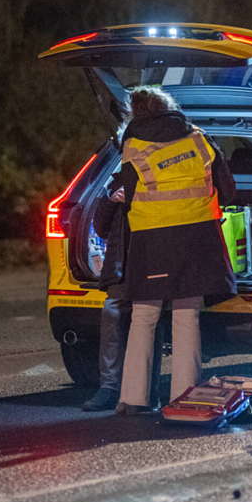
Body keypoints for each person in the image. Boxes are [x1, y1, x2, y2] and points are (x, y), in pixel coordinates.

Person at [115, 87, 236, 413]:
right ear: (169, 107)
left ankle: (133, 399)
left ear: (135, 112)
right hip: (197, 238)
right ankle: (185, 398)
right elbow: (228, 191)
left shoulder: (133, 146)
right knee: (186, 316)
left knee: (144, 317)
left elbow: (128, 195)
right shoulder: (199, 139)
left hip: (151, 241)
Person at [81, 174, 163, 411]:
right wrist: (111, 200)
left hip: (151, 265)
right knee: (112, 317)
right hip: (121, 267)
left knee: (149, 323)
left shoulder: (162, 176)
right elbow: (100, 228)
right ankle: (109, 388)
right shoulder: (119, 181)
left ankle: (150, 391)